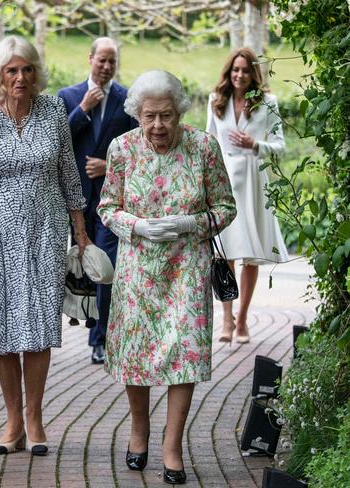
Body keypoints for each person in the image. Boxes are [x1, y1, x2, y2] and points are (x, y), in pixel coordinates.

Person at [97, 70, 236, 485]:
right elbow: (106, 207)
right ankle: (139, 432)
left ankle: (172, 447)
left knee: (185, 354)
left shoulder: (202, 148)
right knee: (136, 354)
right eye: (149, 116)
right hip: (138, 268)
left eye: (166, 116)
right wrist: (137, 226)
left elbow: (226, 207)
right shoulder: (121, 149)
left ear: (180, 112)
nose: (158, 125)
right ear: (137, 114)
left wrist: (189, 223)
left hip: (187, 270)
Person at [0, 36, 90, 457]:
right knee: (1, 326)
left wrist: (80, 229)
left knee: (34, 325)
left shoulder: (53, 110)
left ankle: (35, 419)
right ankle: (13, 419)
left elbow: (69, 171)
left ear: (37, 74)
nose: (20, 78)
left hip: (45, 232)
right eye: (12, 70)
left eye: (27, 69)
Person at [58, 37, 138, 365]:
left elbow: (137, 147)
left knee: (106, 269)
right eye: (101, 60)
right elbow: (57, 140)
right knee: (82, 267)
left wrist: (109, 166)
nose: (106, 67)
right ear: (90, 58)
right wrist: (84, 110)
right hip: (75, 200)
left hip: (110, 200)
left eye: (112, 62)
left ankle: (100, 339)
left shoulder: (127, 99)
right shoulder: (68, 97)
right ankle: (83, 327)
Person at [206, 47, 289, 344]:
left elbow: (280, 146)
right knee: (225, 252)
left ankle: (242, 319)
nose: (239, 75)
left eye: (245, 70)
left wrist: (255, 144)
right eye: (235, 70)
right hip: (224, 182)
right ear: (229, 72)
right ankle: (226, 319)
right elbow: (209, 143)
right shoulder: (217, 101)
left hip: (254, 183)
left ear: (254, 74)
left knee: (250, 255)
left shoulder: (268, 103)